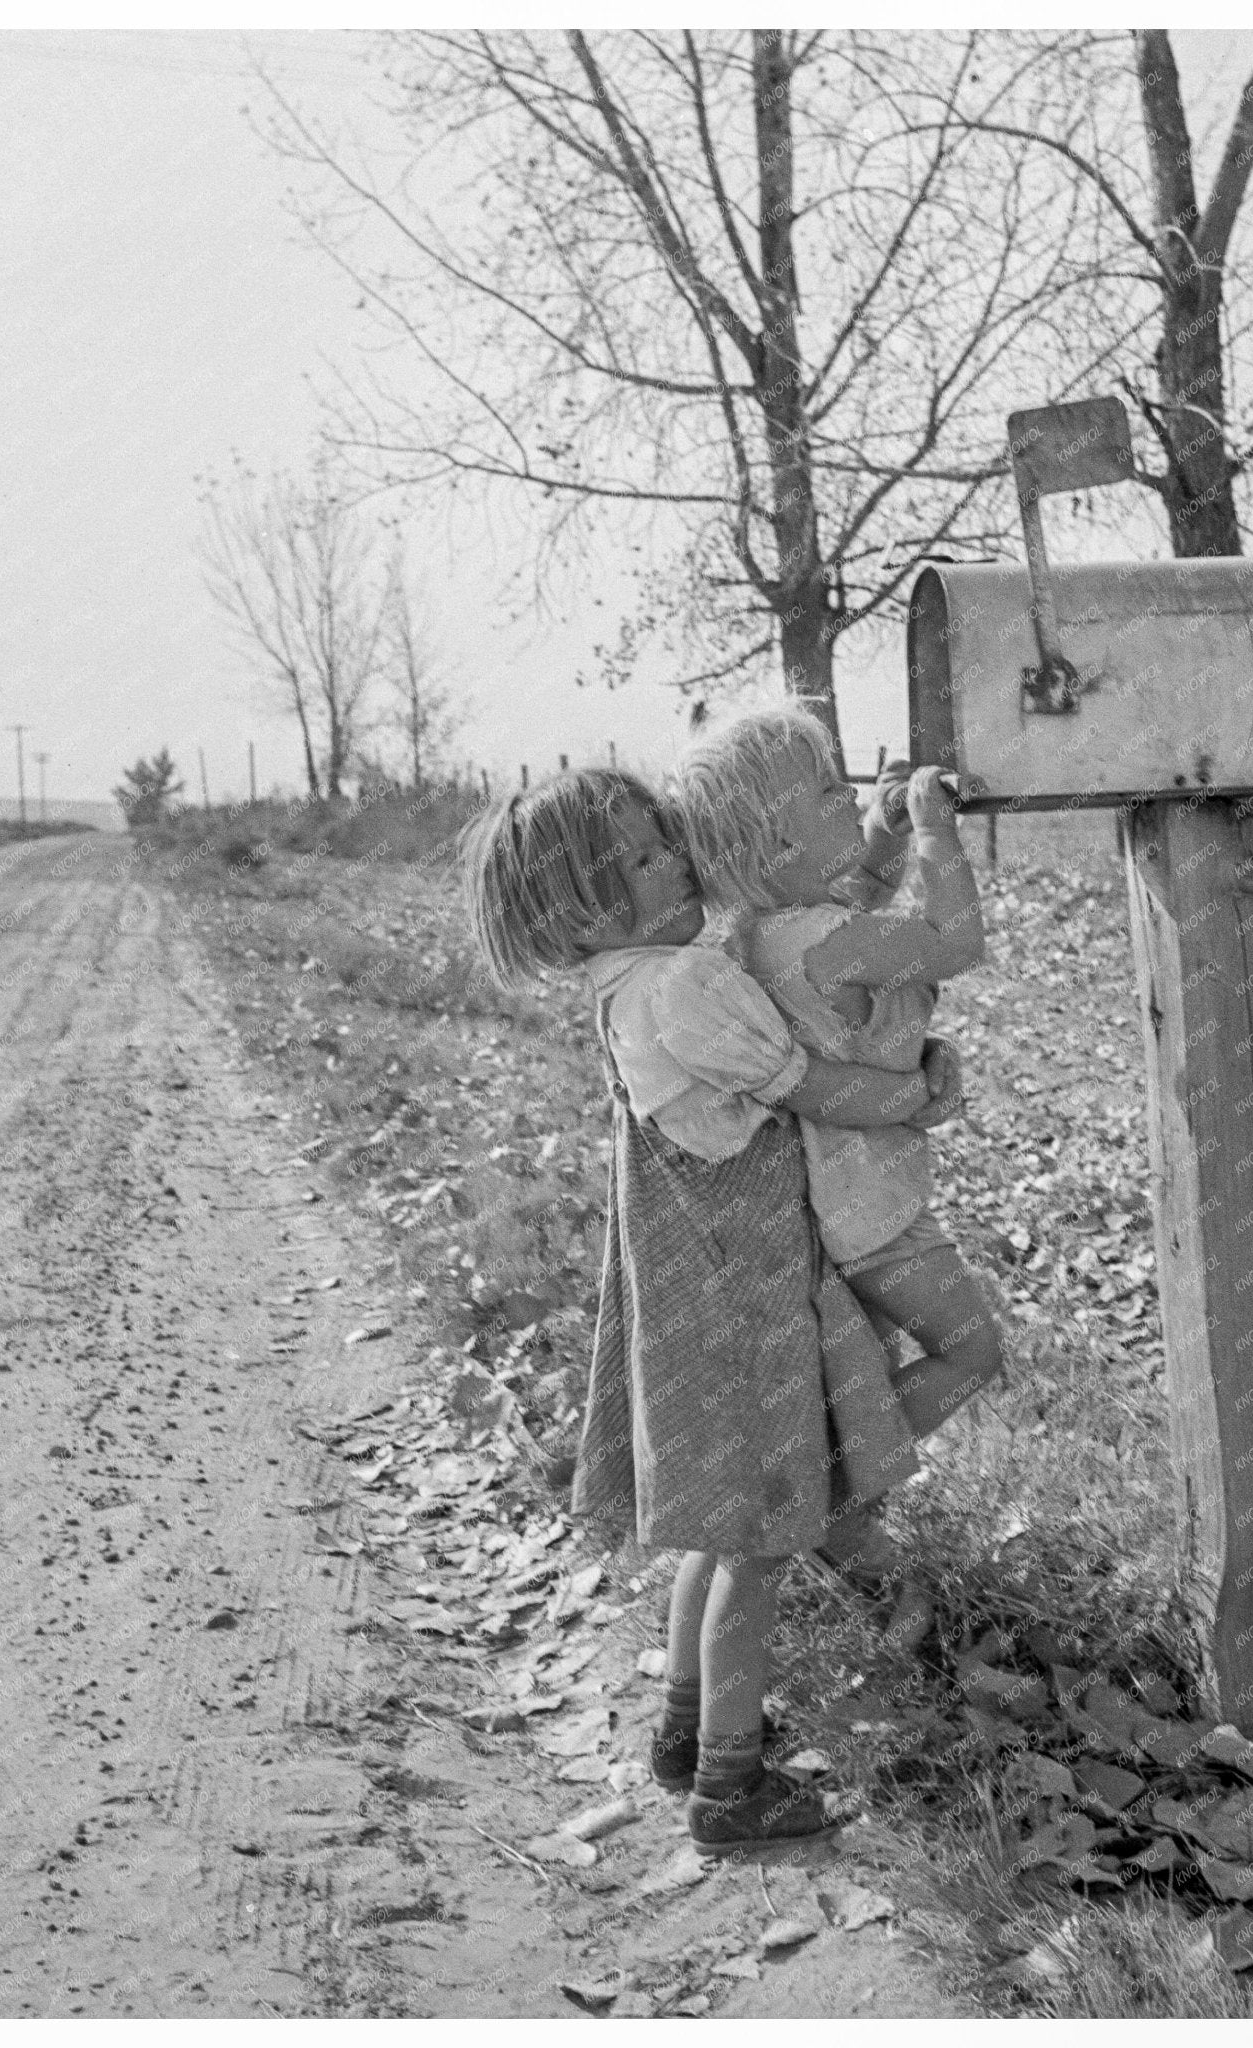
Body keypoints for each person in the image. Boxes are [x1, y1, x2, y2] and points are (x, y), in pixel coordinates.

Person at [458, 768, 958, 1853]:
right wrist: (918, 1094)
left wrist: (863, 847)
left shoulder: (633, 980)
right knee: (762, 1542)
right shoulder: (679, 988)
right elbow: (810, 1089)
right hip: (742, 1292)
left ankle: (684, 1729)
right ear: (584, 909)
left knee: (715, 1530)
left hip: (701, 1281)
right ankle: (730, 1789)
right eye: (645, 857)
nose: (679, 860)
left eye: (667, 840)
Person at [674, 710, 1005, 1598]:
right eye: (831, 792)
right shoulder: (831, 941)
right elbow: (954, 941)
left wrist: (882, 834)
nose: (850, 795)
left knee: (882, 1368)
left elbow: (848, 891)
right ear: (776, 837)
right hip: (878, 1215)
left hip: (834, 1206)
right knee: (972, 1351)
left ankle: (833, 1507)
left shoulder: (764, 932)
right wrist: (935, 831)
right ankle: (830, 1502)